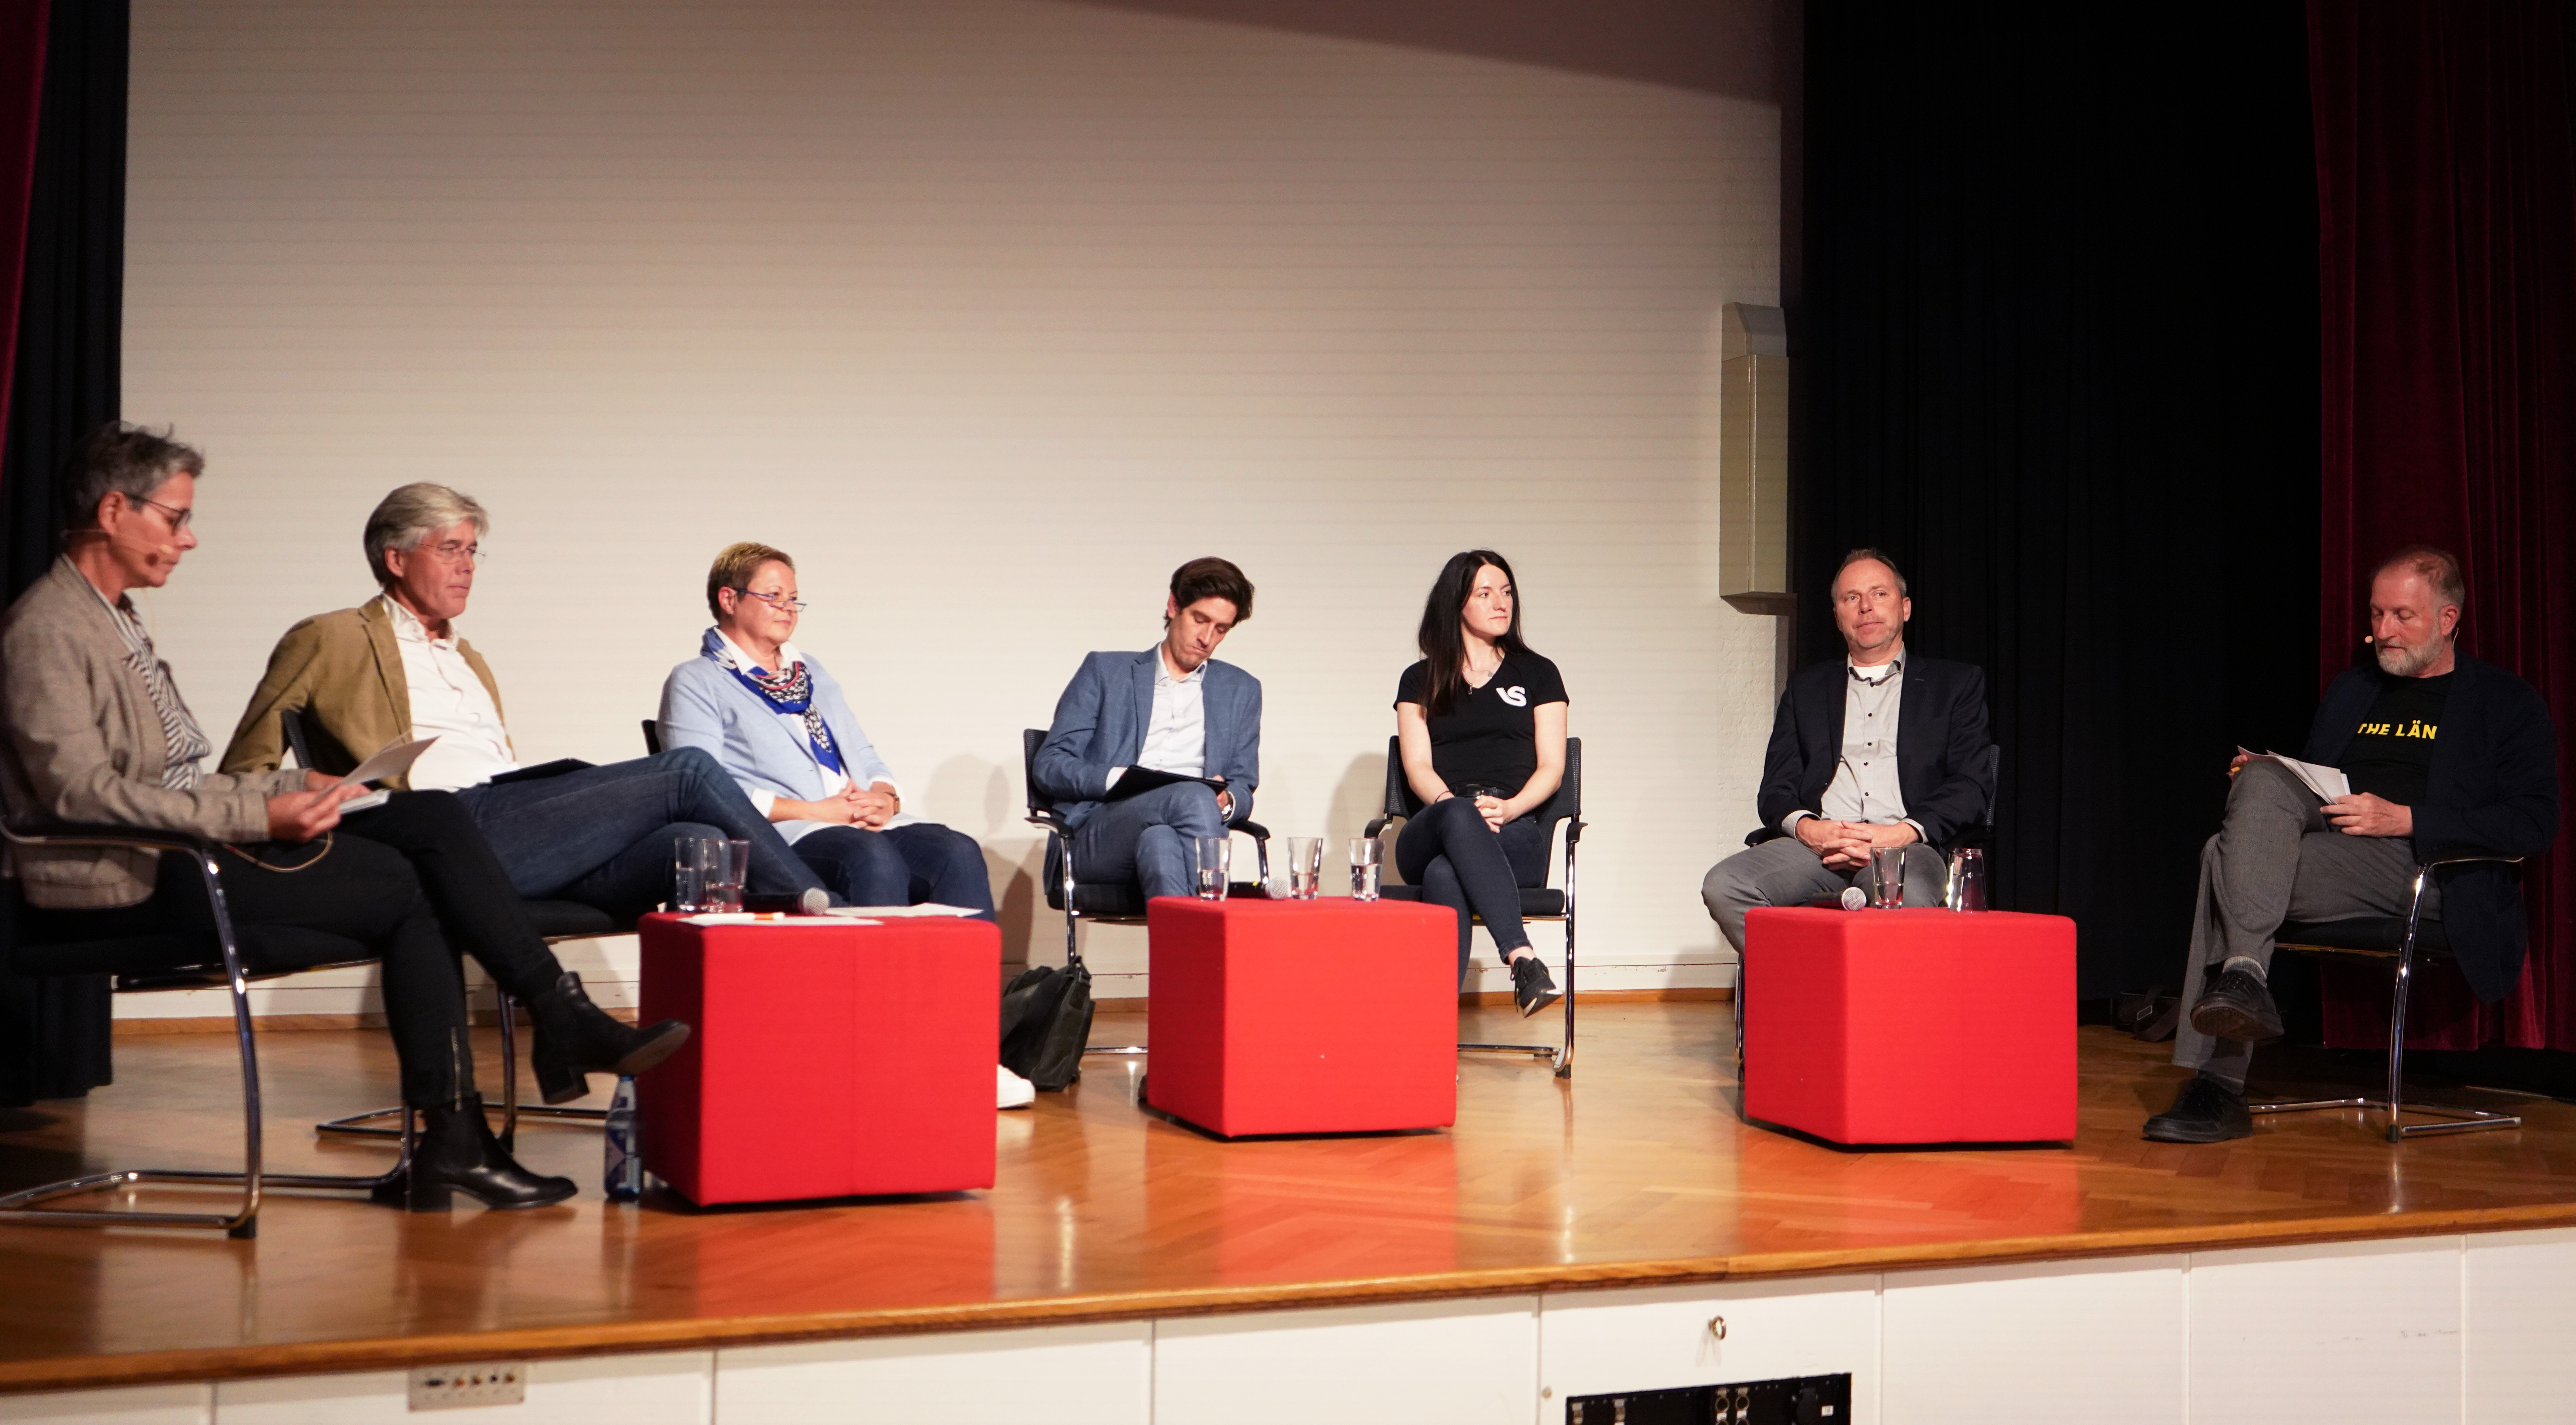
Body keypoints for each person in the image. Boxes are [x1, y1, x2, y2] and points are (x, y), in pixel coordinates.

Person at [0, 424, 688, 1211]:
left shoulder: (117, 618)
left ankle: (475, 1117)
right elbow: (79, 795)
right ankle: (519, 1063)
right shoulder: (49, 627)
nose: (188, 539)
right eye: (175, 517)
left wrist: (305, 782)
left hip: (179, 851)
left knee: (426, 825)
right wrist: (262, 813)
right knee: (423, 871)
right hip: (132, 877)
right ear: (113, 510)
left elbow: (183, 775)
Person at [220, 484, 833, 921]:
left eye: (472, 551)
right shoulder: (330, 636)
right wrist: (319, 793)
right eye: (450, 549)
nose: (467, 566)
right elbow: (245, 769)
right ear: (396, 558)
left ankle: (737, 1029)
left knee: (697, 839)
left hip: (515, 825)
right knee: (689, 772)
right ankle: (833, 921)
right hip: (444, 829)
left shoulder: (468, 657)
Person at [2143, 547, 2560, 1143]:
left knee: (2221, 858)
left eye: (2402, 616)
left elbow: (2534, 823)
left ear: (2447, 619)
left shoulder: (2505, 702)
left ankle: (2218, 1086)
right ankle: (2244, 977)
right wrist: (2270, 779)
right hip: (2338, 850)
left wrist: (2407, 819)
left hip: (2430, 871)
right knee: (2259, 783)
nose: (2383, 631)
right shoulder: (2353, 689)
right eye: (2376, 614)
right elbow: (2321, 784)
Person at [657, 543, 1033, 1111]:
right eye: (773, 596)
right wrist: (815, 811)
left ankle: (971, 1050)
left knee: (955, 850)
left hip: (855, 819)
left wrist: (885, 795)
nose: (788, 608)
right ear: (729, 599)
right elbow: (702, 787)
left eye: (794, 598)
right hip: (783, 836)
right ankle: (879, 1054)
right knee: (869, 859)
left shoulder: (811, 673)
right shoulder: (697, 681)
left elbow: (864, 752)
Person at [1700, 549, 1993, 951]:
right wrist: (1810, 830)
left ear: (1906, 608)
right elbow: (1776, 789)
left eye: (1879, 593)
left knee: (1907, 898)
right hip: (1818, 847)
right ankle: (1805, 985)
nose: (1866, 606)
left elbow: (1972, 784)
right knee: (1726, 884)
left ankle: (1874, 994)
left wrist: (1898, 833)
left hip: (1905, 847)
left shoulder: (1955, 685)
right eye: (1851, 597)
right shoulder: (1806, 689)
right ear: (1838, 616)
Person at [1391, 550, 1567, 1015]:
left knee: (1444, 874)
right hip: (1436, 822)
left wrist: (1510, 808)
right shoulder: (1419, 679)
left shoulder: (1539, 673)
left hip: (1514, 830)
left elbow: (1552, 767)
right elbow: (1417, 766)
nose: (1501, 603)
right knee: (1455, 815)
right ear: (1457, 603)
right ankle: (1523, 957)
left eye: (1506, 592)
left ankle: (1434, 1027)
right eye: (1485, 594)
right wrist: (1457, 808)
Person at [1032, 558, 1260, 903]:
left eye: (1221, 629)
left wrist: (1228, 802)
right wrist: (1119, 777)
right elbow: (1050, 764)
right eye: (1200, 619)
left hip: (1181, 833)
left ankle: (1188, 938)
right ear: (1173, 606)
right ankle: (1216, 919)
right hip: (1097, 834)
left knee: (1161, 842)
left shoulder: (1241, 689)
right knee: (1193, 796)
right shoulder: (1105, 671)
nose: (1206, 638)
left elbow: (1243, 784)